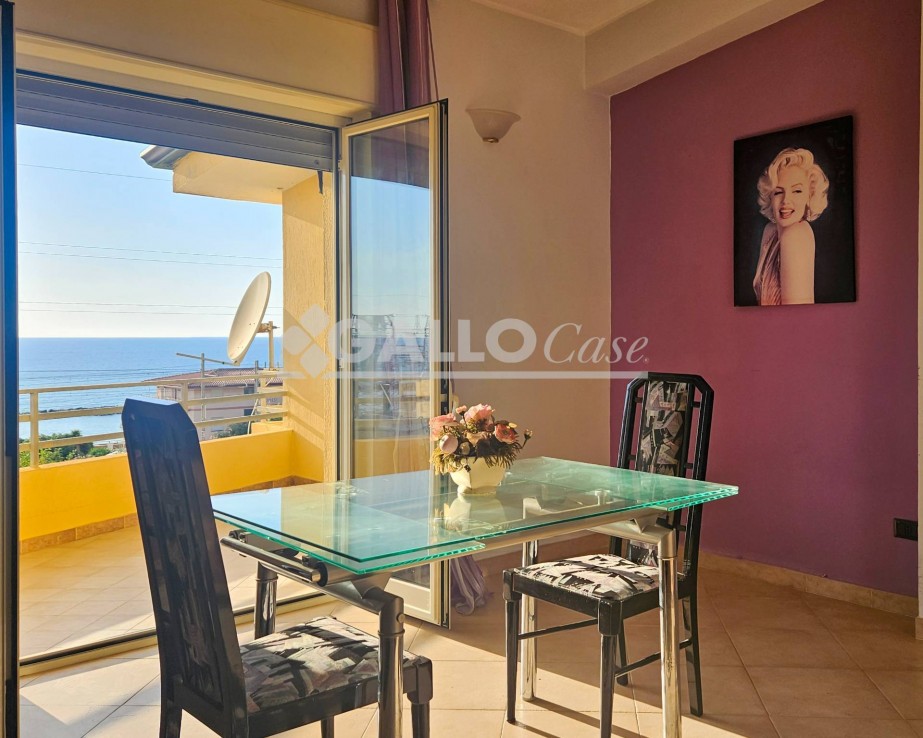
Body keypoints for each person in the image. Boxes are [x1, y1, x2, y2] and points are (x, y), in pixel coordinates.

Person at [752, 147, 829, 305]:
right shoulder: (770, 231)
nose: (786, 200)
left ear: (810, 196)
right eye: (778, 192)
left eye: (797, 191)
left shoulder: (796, 234)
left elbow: (796, 314)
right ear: (770, 197)